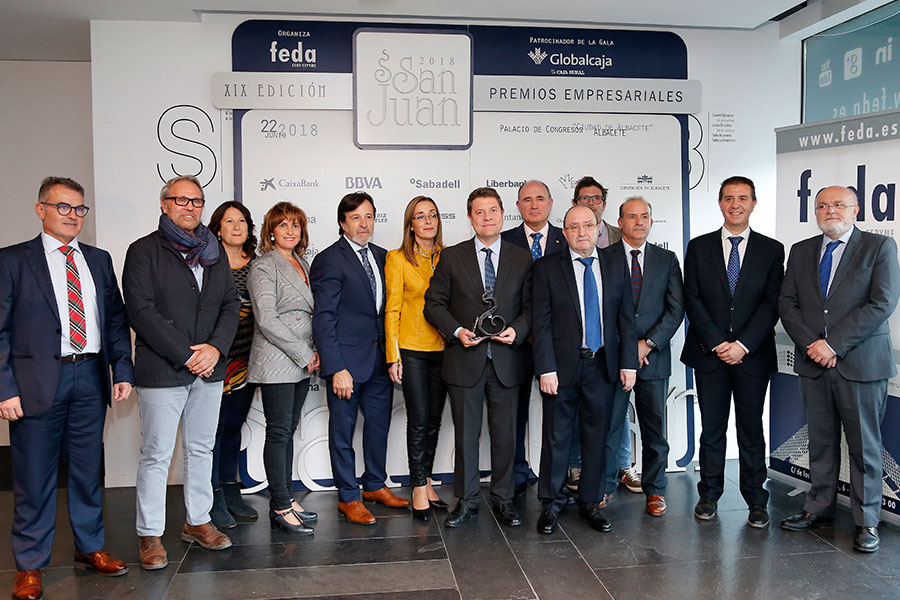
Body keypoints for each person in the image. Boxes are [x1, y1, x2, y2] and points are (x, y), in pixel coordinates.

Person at [0, 177, 133, 600]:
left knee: (86, 471)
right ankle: (30, 565)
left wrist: (122, 370)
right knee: (34, 479)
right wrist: (4, 389)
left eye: (79, 209)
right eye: (63, 207)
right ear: (40, 209)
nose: (72, 215)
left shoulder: (98, 259)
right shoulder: (12, 260)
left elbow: (115, 320)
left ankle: (90, 547)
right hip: (36, 383)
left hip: (90, 377)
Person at [123, 175, 239, 570]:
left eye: (197, 201)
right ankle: (150, 534)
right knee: (156, 454)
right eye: (181, 200)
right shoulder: (143, 251)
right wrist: (187, 356)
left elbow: (229, 304)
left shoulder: (213, 250)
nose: (190, 207)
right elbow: (142, 312)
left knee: (201, 449)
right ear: (164, 204)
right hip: (163, 370)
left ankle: (198, 521)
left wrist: (215, 348)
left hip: (210, 368)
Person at [778, 185, 900, 553]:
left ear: (856, 210)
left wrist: (833, 346)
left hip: (861, 364)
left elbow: (882, 303)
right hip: (814, 363)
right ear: (815, 212)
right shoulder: (801, 250)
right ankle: (818, 507)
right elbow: (787, 303)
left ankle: (867, 522)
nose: (830, 211)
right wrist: (813, 346)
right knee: (821, 442)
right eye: (822, 206)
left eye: (838, 205)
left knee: (865, 447)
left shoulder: (879, 247)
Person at [424, 187, 533, 529]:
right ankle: (467, 500)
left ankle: (504, 499)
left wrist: (517, 330)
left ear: (503, 214)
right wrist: (457, 331)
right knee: (466, 436)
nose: (487, 217)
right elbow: (433, 304)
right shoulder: (452, 257)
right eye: (480, 212)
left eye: (493, 210)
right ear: (470, 218)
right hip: (464, 360)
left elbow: (533, 307)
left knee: (506, 436)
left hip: (507, 360)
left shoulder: (521, 257)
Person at [681, 175, 784, 528]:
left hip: (752, 356)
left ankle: (756, 499)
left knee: (751, 429)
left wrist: (742, 345)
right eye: (728, 198)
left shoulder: (772, 249)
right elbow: (692, 298)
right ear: (720, 203)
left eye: (742, 198)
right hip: (709, 354)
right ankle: (709, 494)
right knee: (712, 429)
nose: (735, 204)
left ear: (753, 203)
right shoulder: (699, 247)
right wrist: (717, 342)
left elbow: (772, 303)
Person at [532, 204, 637, 535]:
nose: (581, 232)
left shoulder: (615, 264)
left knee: (597, 436)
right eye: (574, 227)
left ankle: (590, 501)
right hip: (561, 367)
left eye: (587, 226)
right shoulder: (547, 268)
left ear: (597, 229)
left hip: (602, 364)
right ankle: (551, 503)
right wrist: (545, 368)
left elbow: (625, 319)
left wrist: (628, 363)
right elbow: (540, 323)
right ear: (565, 233)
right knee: (557, 436)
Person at [311, 192, 410, 526]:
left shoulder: (383, 256)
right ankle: (348, 497)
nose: (363, 224)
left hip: (380, 360)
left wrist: (393, 356)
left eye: (368, 216)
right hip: (346, 365)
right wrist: (336, 367)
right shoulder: (329, 259)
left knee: (379, 427)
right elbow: (324, 318)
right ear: (343, 223)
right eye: (355, 217)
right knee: (343, 433)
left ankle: (375, 485)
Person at [602, 196, 684, 516]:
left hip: (654, 358)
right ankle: (605, 486)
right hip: (614, 358)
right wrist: (626, 348)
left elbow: (675, 309)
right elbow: (600, 310)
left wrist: (647, 343)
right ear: (620, 222)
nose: (639, 222)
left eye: (644, 216)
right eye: (632, 216)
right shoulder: (604, 257)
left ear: (651, 221)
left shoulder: (667, 259)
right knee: (610, 426)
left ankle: (655, 490)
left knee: (654, 430)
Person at [248, 201, 320, 535]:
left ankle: (287, 498)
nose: (290, 231)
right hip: (277, 360)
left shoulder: (302, 262)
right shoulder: (264, 266)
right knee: (278, 432)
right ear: (271, 231)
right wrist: (304, 353)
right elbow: (266, 318)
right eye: (282, 225)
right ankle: (279, 506)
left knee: (287, 430)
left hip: (302, 359)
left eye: (295, 225)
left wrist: (312, 351)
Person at [568, 176, 637, 494]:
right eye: (584, 198)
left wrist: (631, 356)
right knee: (575, 419)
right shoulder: (566, 247)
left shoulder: (617, 252)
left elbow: (625, 313)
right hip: (574, 352)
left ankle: (612, 477)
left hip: (612, 352)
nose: (590, 203)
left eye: (595, 198)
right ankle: (579, 472)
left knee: (614, 419)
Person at [500, 180, 566, 498]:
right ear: (518, 206)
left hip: (557, 344)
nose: (534, 205)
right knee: (514, 413)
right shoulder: (504, 240)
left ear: (551, 203)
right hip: (515, 343)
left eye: (540, 198)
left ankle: (560, 475)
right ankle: (516, 472)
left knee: (560, 414)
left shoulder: (567, 237)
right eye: (527, 199)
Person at [385, 196, 449, 521]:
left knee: (435, 420)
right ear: (410, 224)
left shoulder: (448, 256)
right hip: (412, 350)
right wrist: (392, 356)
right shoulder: (397, 258)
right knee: (420, 419)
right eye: (420, 216)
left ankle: (427, 482)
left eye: (432, 215)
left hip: (445, 350)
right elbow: (392, 310)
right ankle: (418, 486)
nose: (427, 221)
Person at [207, 201, 259, 529]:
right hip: (214, 361)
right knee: (212, 430)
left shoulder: (258, 264)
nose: (237, 226)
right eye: (229, 221)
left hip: (247, 360)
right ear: (218, 229)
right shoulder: (208, 263)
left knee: (233, 428)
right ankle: (211, 496)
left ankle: (230, 488)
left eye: (242, 221)